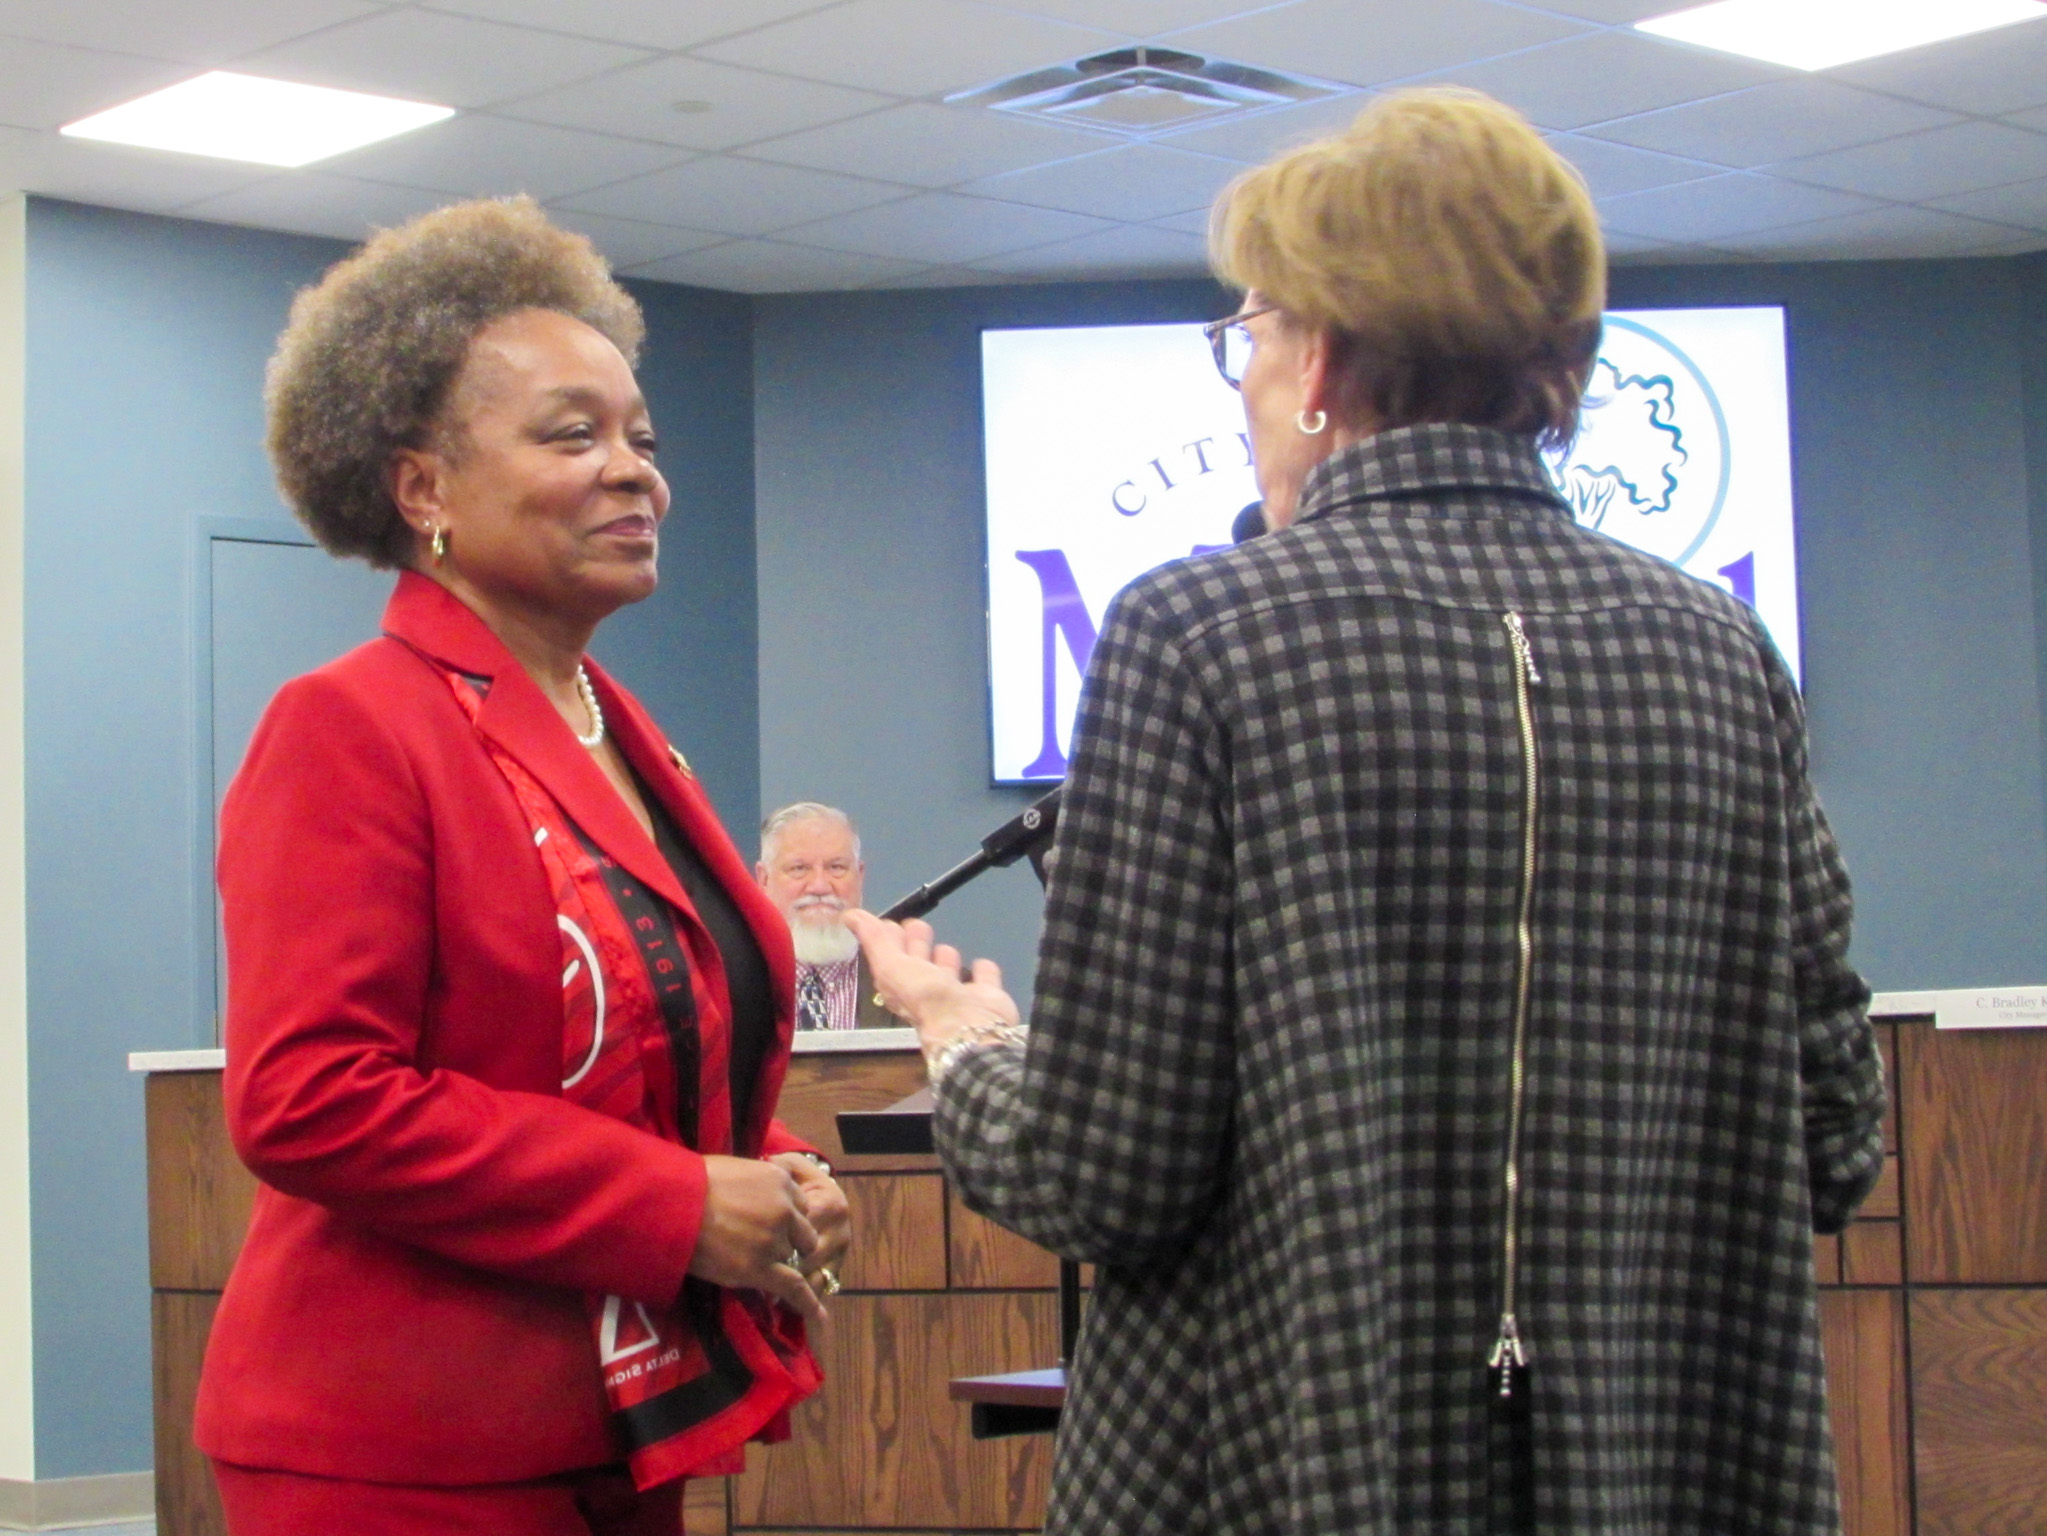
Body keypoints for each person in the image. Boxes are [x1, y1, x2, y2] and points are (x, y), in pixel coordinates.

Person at [849, 88, 1886, 1536]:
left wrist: (964, 1046)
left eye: (1250, 334)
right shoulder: (1723, 653)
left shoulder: (1198, 637)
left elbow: (1103, 1171)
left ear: (1324, 355)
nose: (1247, 374)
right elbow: (1834, 1134)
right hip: (1673, 1471)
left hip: (1283, 1469)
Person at [197, 196, 848, 1536]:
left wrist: (763, 1168)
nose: (638, 473)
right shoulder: (351, 724)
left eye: (642, 437)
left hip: (611, 1430)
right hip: (399, 1448)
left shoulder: (621, 731)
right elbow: (308, 1097)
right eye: (574, 434)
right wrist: (674, 1205)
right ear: (424, 488)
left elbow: (626, 1041)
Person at [756, 802, 893, 1030]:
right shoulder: (726, 984)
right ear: (764, 880)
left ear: (860, 877)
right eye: (799, 868)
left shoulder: (915, 982)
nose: (819, 886)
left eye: (836, 867)